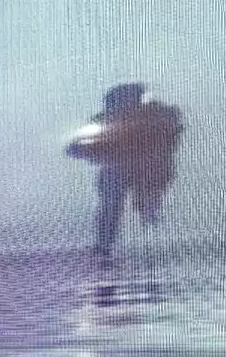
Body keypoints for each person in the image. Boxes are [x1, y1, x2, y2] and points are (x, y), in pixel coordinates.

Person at [65, 83, 184, 258]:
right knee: (111, 203)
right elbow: (79, 145)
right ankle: (104, 245)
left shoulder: (154, 115)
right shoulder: (105, 120)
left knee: (125, 198)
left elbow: (172, 131)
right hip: (119, 169)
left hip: (148, 168)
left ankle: (146, 209)